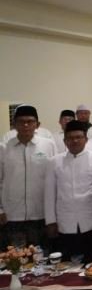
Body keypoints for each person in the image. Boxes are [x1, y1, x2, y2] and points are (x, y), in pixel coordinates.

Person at [44, 120, 92, 263]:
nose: (74, 141)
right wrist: (50, 221)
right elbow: (49, 195)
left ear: (86, 139)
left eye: (78, 137)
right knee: (67, 265)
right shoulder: (54, 162)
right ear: (64, 141)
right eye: (70, 138)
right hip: (65, 222)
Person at [0, 105, 57, 249]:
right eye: (21, 121)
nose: (26, 125)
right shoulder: (4, 148)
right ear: (14, 125)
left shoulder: (48, 146)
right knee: (14, 258)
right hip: (12, 215)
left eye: (30, 121)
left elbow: (55, 179)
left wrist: (54, 214)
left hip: (42, 214)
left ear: (37, 125)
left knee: (43, 257)